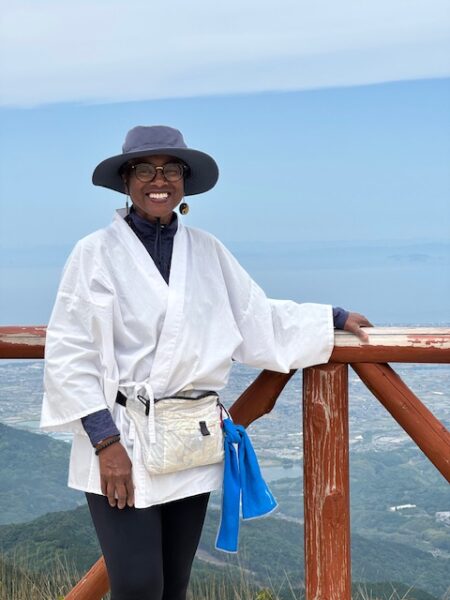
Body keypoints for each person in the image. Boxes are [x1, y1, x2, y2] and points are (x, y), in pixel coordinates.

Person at [40, 125, 371, 600]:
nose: (160, 179)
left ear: (184, 181)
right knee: (137, 586)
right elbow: (71, 350)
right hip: (121, 439)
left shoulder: (207, 251)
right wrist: (105, 443)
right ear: (127, 181)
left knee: (174, 584)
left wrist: (332, 318)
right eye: (146, 169)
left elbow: (257, 317)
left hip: (188, 437)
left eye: (171, 169)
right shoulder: (93, 254)